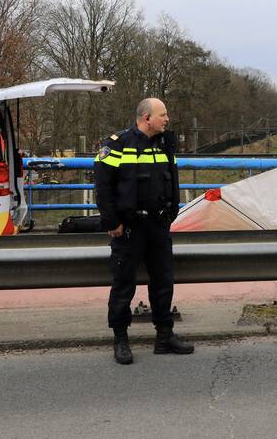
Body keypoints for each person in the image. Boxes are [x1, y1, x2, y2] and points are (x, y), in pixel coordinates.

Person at [96, 97, 194, 365]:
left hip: (158, 226)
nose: (167, 119)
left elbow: (172, 180)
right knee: (123, 284)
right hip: (129, 228)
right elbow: (103, 186)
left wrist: (172, 212)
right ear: (146, 118)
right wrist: (112, 222)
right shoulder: (117, 144)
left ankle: (164, 336)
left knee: (163, 282)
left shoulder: (163, 144)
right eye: (163, 114)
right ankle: (120, 339)